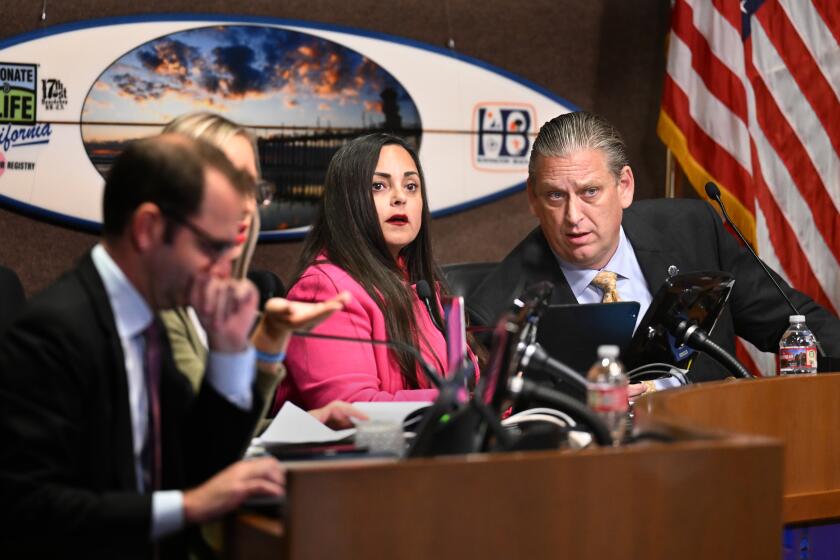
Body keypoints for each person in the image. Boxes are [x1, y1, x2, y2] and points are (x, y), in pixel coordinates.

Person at [0, 134, 284, 558]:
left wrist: (228, 351)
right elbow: (28, 509)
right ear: (148, 228)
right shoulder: (51, 332)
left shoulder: (147, 318)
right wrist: (186, 506)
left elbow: (194, 465)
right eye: (213, 247)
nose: (227, 268)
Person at [470, 111, 840, 389]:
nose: (573, 216)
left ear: (625, 186)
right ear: (533, 201)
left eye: (590, 192)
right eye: (555, 196)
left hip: (717, 451)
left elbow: (796, 323)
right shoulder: (498, 308)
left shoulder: (693, 231)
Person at [159, 112, 364, 428]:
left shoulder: (206, 298)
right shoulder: (152, 303)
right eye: (231, 183)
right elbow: (200, 439)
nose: (247, 206)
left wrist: (312, 422)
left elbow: (223, 429)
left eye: (251, 188)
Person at [274, 133, 481, 411]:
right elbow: (351, 408)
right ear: (347, 200)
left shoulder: (423, 289)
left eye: (411, 186)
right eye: (379, 186)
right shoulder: (325, 290)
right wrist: (462, 403)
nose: (399, 198)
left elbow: (469, 385)